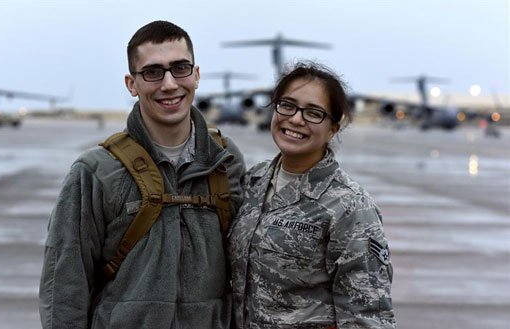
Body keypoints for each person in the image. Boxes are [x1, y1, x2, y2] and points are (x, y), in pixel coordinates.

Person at [39, 21, 245, 329]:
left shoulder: (226, 163)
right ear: (131, 84)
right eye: (152, 72)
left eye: (180, 68)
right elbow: (64, 284)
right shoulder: (97, 171)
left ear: (197, 75)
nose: (169, 84)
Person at [228, 62, 396, 328]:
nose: (296, 119)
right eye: (288, 105)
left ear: (333, 128)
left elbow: (367, 316)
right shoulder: (252, 183)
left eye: (314, 113)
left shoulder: (349, 206)